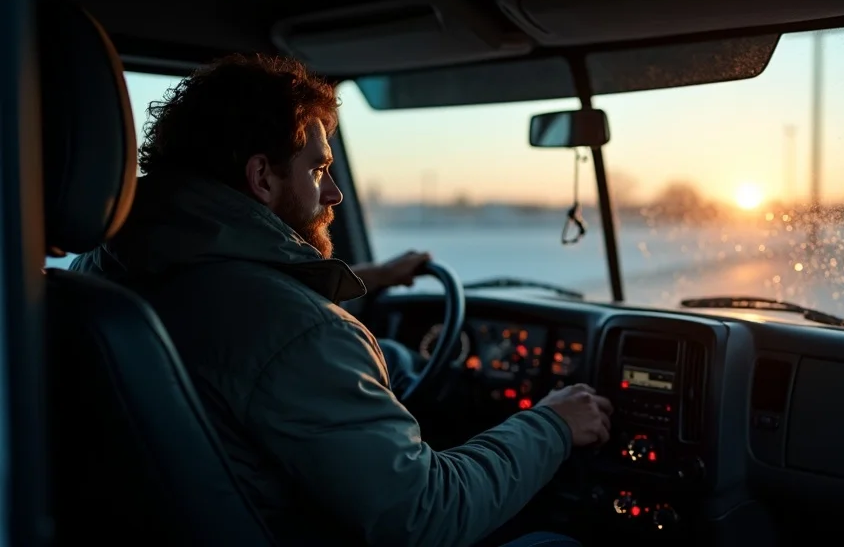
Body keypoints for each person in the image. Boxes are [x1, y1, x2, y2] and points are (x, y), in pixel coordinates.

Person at [70, 54, 613, 547]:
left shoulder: (99, 274)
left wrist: (369, 278)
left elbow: (242, 313)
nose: (335, 194)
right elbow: (425, 516)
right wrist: (552, 424)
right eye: (318, 169)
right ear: (261, 176)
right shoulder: (301, 333)